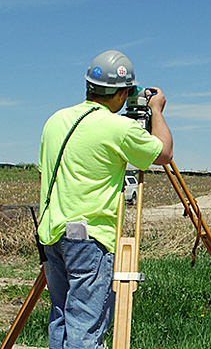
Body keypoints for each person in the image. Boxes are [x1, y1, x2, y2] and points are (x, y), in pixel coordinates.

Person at [38, 50, 173, 348]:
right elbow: (163, 153)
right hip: (89, 238)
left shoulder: (56, 120)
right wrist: (158, 111)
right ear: (122, 92)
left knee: (61, 318)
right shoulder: (118, 128)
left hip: (52, 234)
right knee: (85, 328)